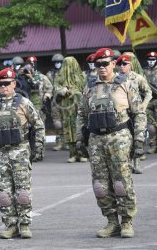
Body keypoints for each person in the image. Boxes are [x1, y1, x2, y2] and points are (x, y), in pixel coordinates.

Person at [77, 48, 146, 238]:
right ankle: (111, 221)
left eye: (105, 63)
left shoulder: (126, 84)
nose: (102, 68)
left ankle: (126, 222)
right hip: (96, 141)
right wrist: (79, 139)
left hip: (119, 138)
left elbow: (139, 113)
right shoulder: (90, 87)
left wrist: (139, 138)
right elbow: (81, 115)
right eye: (98, 64)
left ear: (113, 64)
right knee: (100, 185)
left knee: (121, 183)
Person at [0, 68, 44, 239]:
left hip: (20, 152)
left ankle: (24, 224)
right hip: (1, 153)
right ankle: (10, 224)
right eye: (0, 84)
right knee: (4, 193)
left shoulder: (24, 103)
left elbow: (38, 125)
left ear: (14, 84)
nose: (3, 87)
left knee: (23, 192)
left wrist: (38, 148)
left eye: (7, 84)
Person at [117, 54, 151, 173]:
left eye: (124, 64)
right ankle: (128, 163)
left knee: (137, 138)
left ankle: (137, 163)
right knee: (125, 139)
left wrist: (144, 104)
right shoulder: (115, 80)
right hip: (122, 113)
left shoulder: (137, 78)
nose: (122, 66)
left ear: (130, 65)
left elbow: (148, 92)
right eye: (119, 64)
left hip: (136, 111)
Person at [54, 57, 87, 163]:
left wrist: (75, 92)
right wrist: (63, 90)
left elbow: (85, 89)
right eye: (66, 63)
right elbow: (55, 88)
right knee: (69, 130)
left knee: (80, 129)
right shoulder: (59, 77)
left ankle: (82, 153)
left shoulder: (81, 76)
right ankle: (73, 154)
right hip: (66, 108)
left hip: (79, 106)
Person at [46, 53, 64, 151]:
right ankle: (59, 142)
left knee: (68, 122)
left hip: (67, 101)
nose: (57, 64)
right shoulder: (50, 74)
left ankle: (71, 143)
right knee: (57, 123)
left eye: (59, 62)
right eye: (56, 62)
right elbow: (47, 86)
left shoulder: (67, 73)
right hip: (55, 101)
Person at [144, 51, 157, 154]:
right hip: (148, 101)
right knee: (150, 125)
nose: (151, 62)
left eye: (153, 60)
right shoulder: (144, 72)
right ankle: (153, 145)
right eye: (149, 60)